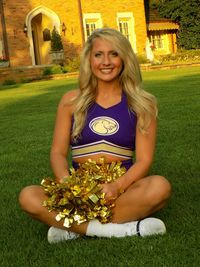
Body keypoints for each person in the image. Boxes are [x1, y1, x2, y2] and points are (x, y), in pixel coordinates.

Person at [19, 28, 171, 243]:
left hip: (120, 190)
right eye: (99, 54)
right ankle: (121, 229)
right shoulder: (71, 101)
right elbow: (57, 152)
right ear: (89, 60)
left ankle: (73, 229)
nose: (106, 62)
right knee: (28, 196)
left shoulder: (142, 104)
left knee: (159, 187)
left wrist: (116, 187)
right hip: (78, 189)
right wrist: (67, 184)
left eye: (114, 54)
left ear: (124, 58)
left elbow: (144, 160)